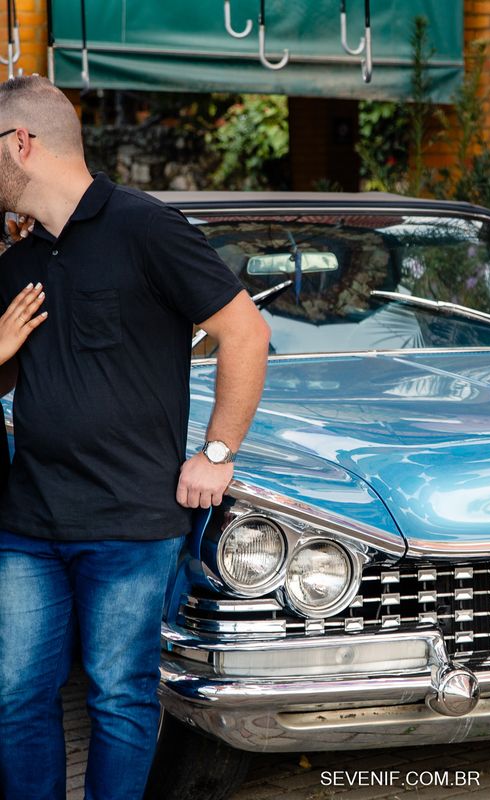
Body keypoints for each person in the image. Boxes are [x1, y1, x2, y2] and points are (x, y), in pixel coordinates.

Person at [0, 76, 271, 800]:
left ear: (21, 142)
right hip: (25, 523)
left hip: (130, 522)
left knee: (120, 697)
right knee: (15, 698)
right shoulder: (18, 260)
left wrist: (217, 453)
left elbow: (244, 332)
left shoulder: (146, 227)